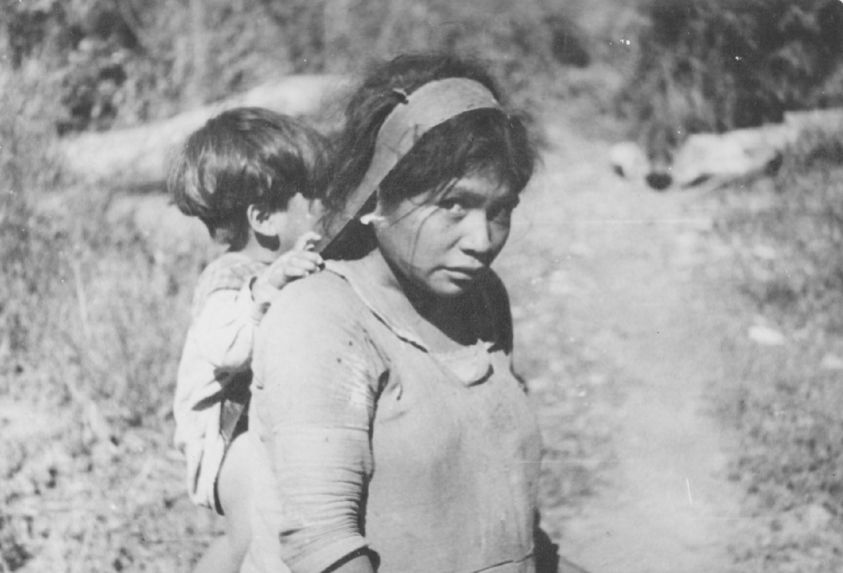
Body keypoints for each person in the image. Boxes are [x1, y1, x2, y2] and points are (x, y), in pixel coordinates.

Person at [243, 53, 559, 573]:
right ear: (378, 193)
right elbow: (324, 546)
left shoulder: (482, 299)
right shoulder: (322, 319)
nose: (481, 241)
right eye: (453, 204)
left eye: (499, 211)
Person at [169, 107, 328, 573]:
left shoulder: (291, 262)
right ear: (264, 218)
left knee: (260, 531)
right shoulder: (231, 276)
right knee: (257, 525)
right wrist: (266, 290)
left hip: (265, 422)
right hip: (227, 433)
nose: (327, 206)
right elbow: (226, 348)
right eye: (315, 198)